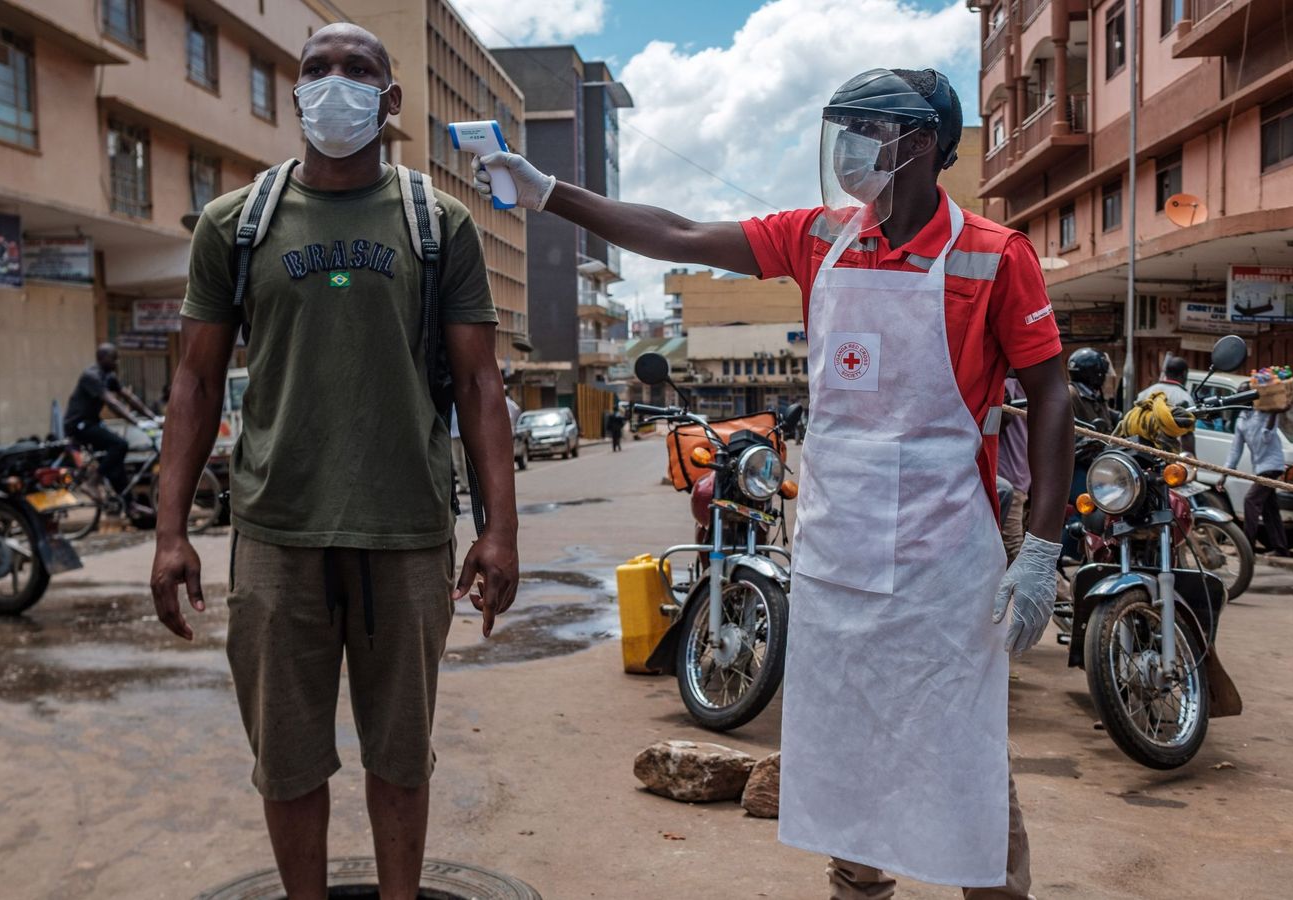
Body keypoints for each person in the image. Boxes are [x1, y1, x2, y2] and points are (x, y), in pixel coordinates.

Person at [477, 65, 1071, 899]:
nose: (853, 147)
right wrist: (550, 195)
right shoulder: (819, 234)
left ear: (926, 144)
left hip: (943, 569)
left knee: (961, 751)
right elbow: (679, 234)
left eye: (874, 128)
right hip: (836, 556)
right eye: (848, 126)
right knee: (847, 753)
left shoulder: (993, 256)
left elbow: (1051, 396)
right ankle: (855, 889)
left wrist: (1041, 549)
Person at [149, 24, 519, 900]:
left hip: (406, 530)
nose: (335, 84)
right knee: (287, 762)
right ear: (296, 96)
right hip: (278, 531)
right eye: (317, 70)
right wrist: (170, 534)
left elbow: (479, 383)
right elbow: (195, 385)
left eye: (358, 70)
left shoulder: (439, 223)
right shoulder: (236, 225)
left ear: (390, 100)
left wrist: (499, 531)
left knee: (400, 758)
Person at [65, 344, 153, 499]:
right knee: (120, 444)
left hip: (92, 422)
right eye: (113, 358)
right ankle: (92, 482)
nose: (116, 362)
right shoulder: (91, 376)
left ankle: (128, 504)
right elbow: (112, 402)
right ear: (102, 358)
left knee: (115, 463)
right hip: (78, 425)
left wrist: (152, 417)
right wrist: (135, 422)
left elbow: (128, 397)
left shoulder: (108, 376)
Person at [1221, 388, 1289, 556]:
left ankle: (1247, 547)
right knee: (1269, 507)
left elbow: (1266, 438)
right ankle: (1280, 548)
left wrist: (1273, 414)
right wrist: (1224, 474)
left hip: (1272, 466)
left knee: (1251, 501)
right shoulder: (1242, 420)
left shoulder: (1266, 413)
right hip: (1260, 467)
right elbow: (1235, 450)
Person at [998, 377, 1030, 561]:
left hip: (1009, 474)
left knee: (1014, 548)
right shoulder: (1030, 384)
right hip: (1021, 475)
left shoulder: (1006, 383)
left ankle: (1063, 591)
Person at [1136, 355, 1194, 452]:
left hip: (1139, 450)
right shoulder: (1186, 398)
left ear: (1166, 372)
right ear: (1184, 374)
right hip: (1167, 455)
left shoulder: (1144, 393)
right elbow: (1187, 435)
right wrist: (1192, 460)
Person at [1066, 347, 1114, 433]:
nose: (1104, 376)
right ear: (1095, 374)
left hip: (1104, 444)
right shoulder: (1070, 395)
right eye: (1103, 373)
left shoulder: (1092, 394)